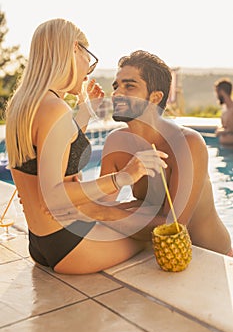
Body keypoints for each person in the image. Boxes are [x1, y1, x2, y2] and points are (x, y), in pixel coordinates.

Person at [5, 19, 168, 274]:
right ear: (73, 50)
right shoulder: (54, 109)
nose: (89, 70)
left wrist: (85, 110)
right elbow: (52, 196)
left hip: (40, 243)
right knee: (149, 233)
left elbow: (55, 151)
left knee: (129, 211)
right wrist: (123, 177)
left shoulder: (24, 103)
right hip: (70, 246)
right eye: (88, 58)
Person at [100, 50, 233, 257]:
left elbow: (173, 226)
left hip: (213, 258)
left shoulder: (187, 144)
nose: (116, 93)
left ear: (155, 97)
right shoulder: (116, 142)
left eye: (129, 86)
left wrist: (106, 213)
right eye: (116, 86)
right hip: (161, 256)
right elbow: (101, 203)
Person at [214, 78, 233, 145]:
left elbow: (231, 130)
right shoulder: (225, 110)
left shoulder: (231, 111)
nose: (216, 96)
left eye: (216, 92)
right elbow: (226, 127)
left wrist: (221, 132)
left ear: (221, 92)